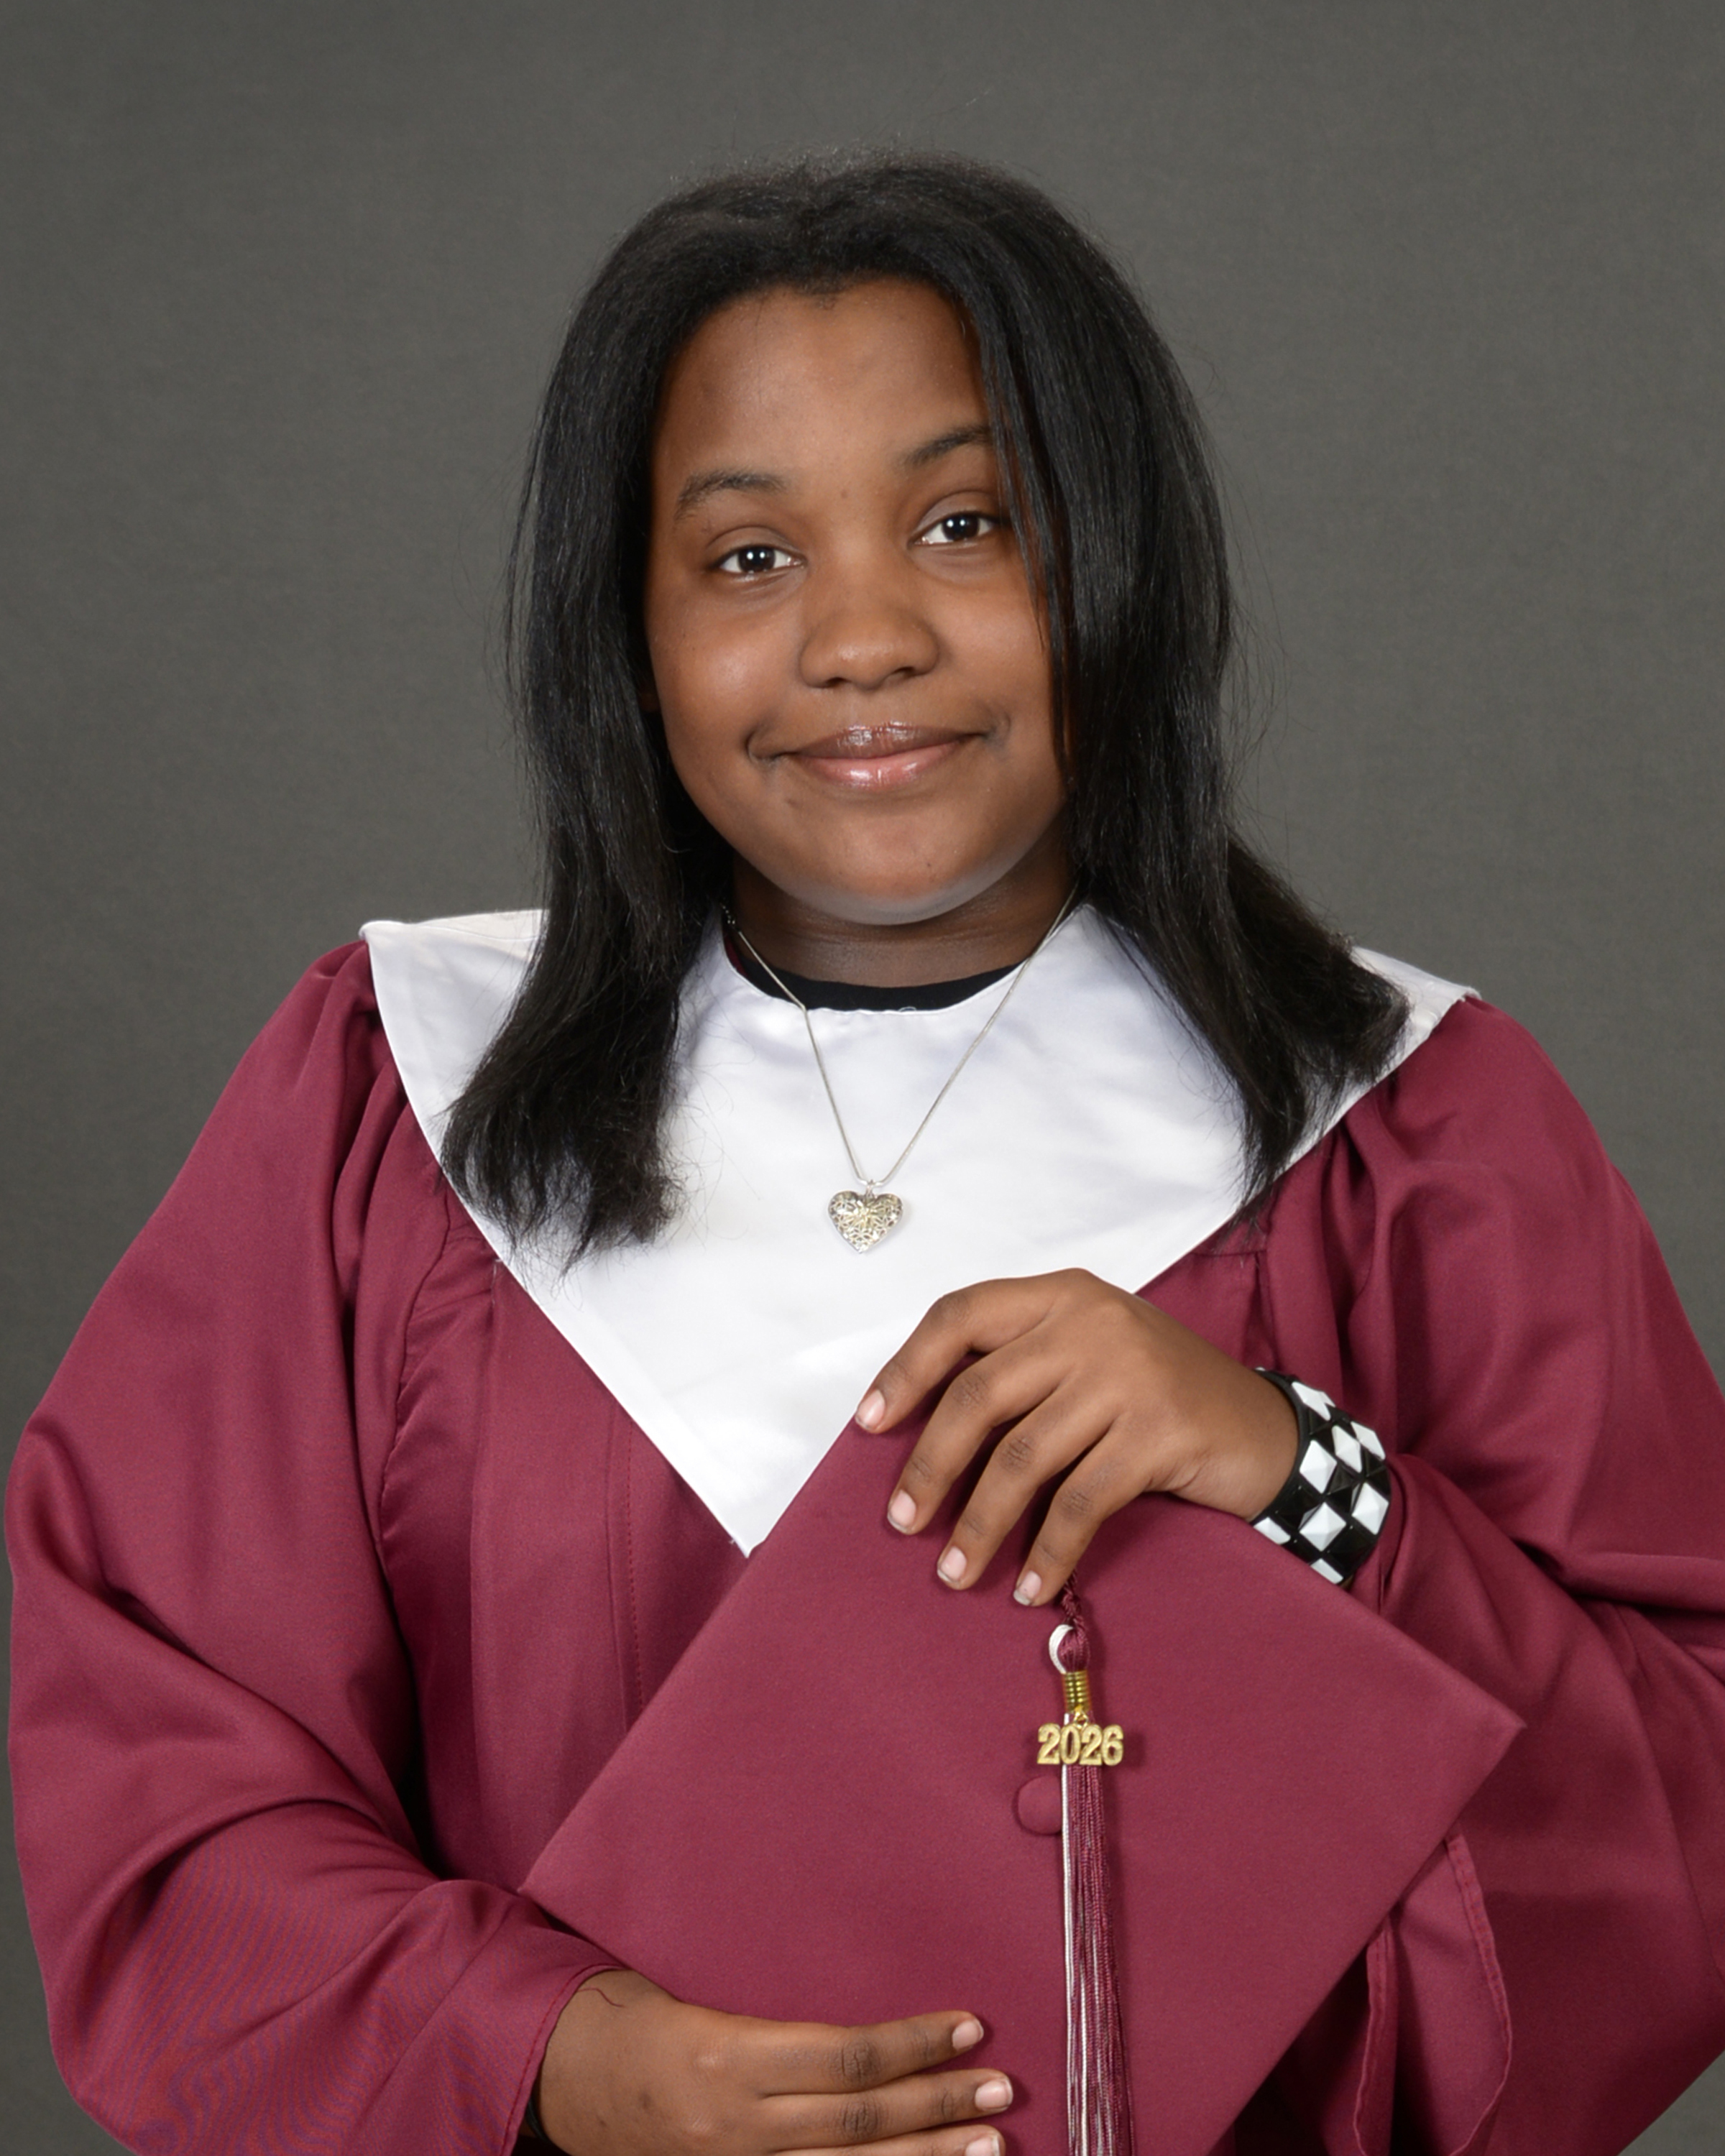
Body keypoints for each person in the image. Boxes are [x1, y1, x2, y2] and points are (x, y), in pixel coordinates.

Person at [9, 154, 1724, 2156]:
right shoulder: (391, 1101)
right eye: (748, 557)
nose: (861, 639)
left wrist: (1295, 1470)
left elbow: (1681, 1811)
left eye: (964, 523)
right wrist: (551, 2058)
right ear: (628, 629)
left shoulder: (1407, 1125)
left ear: (1114, 564)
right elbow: (163, 1768)